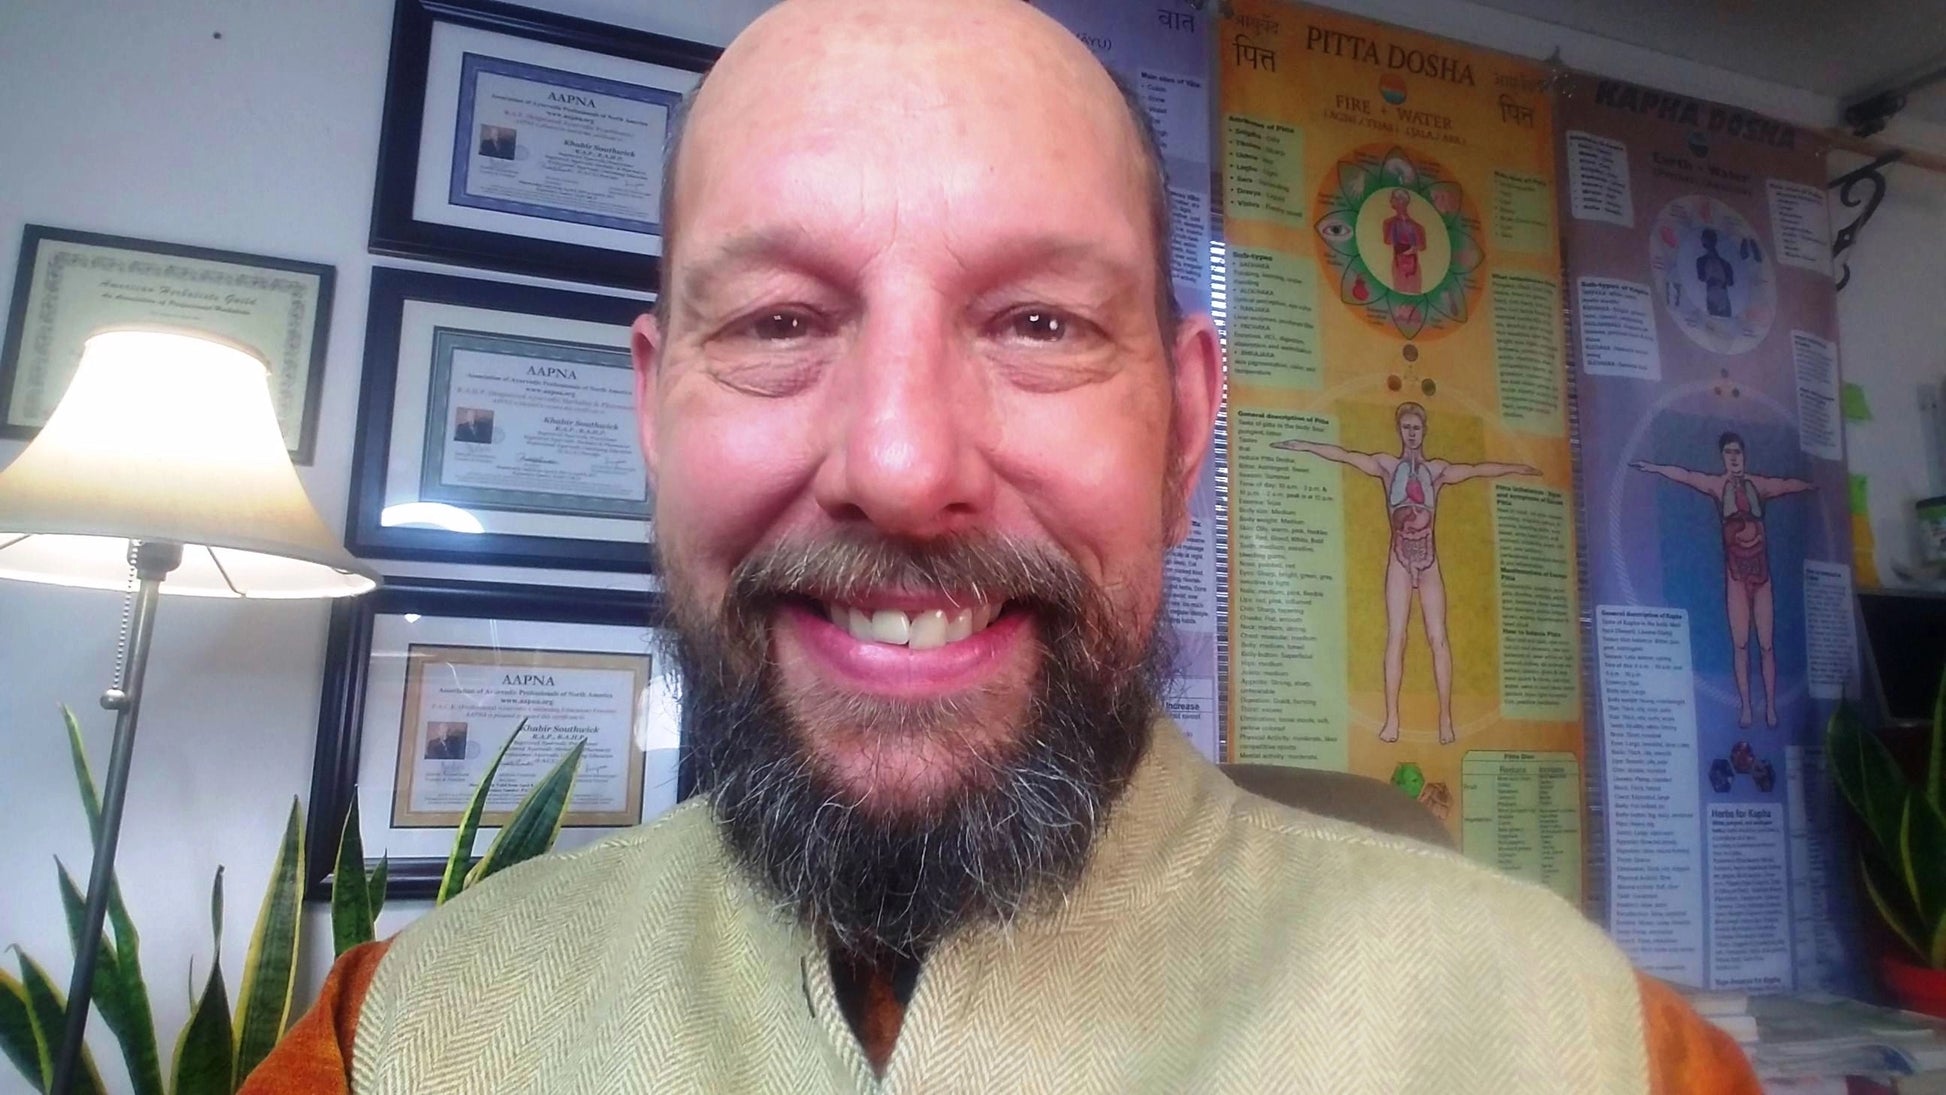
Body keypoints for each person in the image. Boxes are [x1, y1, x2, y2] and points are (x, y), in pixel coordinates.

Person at [243, 3, 1756, 1092]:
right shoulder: (398, 1043)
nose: (902, 467)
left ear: (1183, 427)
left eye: (1039, 322)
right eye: (777, 321)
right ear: (654, 412)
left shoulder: (1586, 1047)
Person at [1275, 403, 1539, 745]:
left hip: (1429, 560)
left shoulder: (1436, 470)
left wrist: (1517, 467)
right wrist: (1304, 445)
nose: (1411, 433)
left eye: (1416, 427)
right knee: (1396, 637)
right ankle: (1392, 720)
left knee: (1438, 638)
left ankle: (1445, 719)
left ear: (1424, 431)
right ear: (1400, 431)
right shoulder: (1387, 466)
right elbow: (1345, 455)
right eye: (1406, 427)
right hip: (1399, 560)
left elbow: (1477, 470)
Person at [1632, 432, 1814, 728]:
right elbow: (1686, 476)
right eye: (1728, 452)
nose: (1734, 457)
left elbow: (1786, 485)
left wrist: (1814, 485)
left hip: (1762, 575)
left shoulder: (1759, 485)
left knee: (1767, 645)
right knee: (1740, 644)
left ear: (1744, 455)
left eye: (1737, 452)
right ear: (1723, 457)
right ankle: (1746, 707)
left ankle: (1770, 706)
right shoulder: (1717, 486)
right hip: (1736, 576)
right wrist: (1654, 468)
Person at [1383, 187, 1427, 294]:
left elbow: (1422, 246)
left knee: (1414, 290)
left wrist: (1413, 248)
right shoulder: (1389, 222)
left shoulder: (1417, 226)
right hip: (1398, 262)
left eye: (1393, 199)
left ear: (1401, 201)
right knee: (1399, 288)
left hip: (1413, 265)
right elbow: (1388, 241)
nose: (1391, 201)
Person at [1696, 227, 1734, 318]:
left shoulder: (1725, 263)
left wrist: (1721, 281)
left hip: (1722, 298)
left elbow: (1730, 282)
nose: (1708, 243)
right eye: (1706, 240)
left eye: (1709, 240)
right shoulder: (1701, 261)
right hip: (1712, 297)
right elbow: (1701, 277)